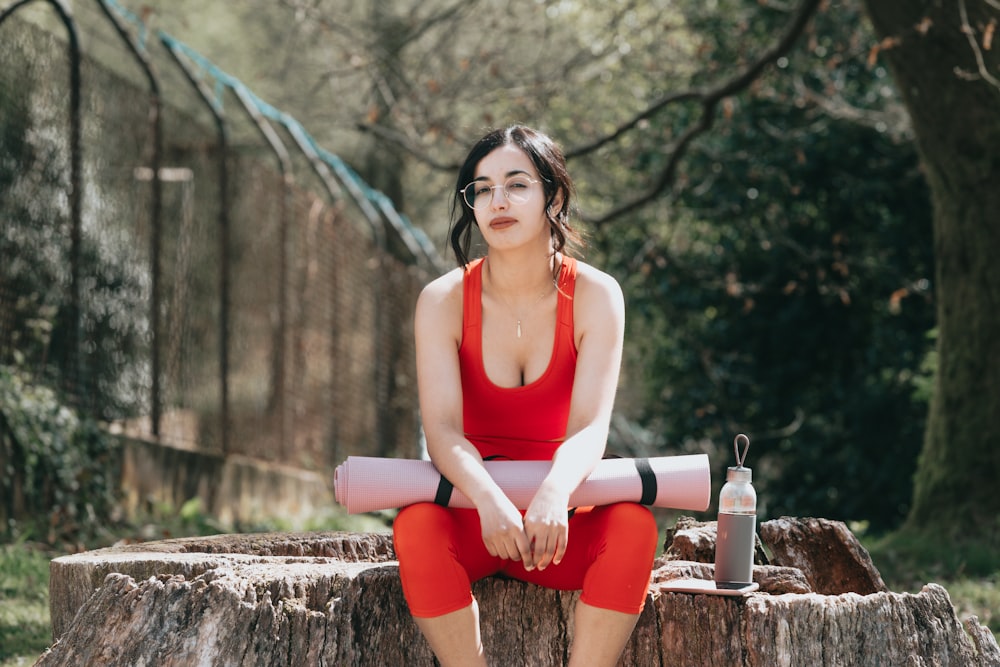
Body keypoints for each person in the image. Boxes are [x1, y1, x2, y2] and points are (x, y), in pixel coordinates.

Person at [392, 125, 658, 666]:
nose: (498, 201)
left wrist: (555, 494)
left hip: (557, 522)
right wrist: (489, 500)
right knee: (416, 525)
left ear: (552, 197)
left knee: (633, 525)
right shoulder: (441, 300)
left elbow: (589, 427)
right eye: (482, 188)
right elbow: (441, 429)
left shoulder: (596, 294)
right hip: (476, 515)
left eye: (516, 184)